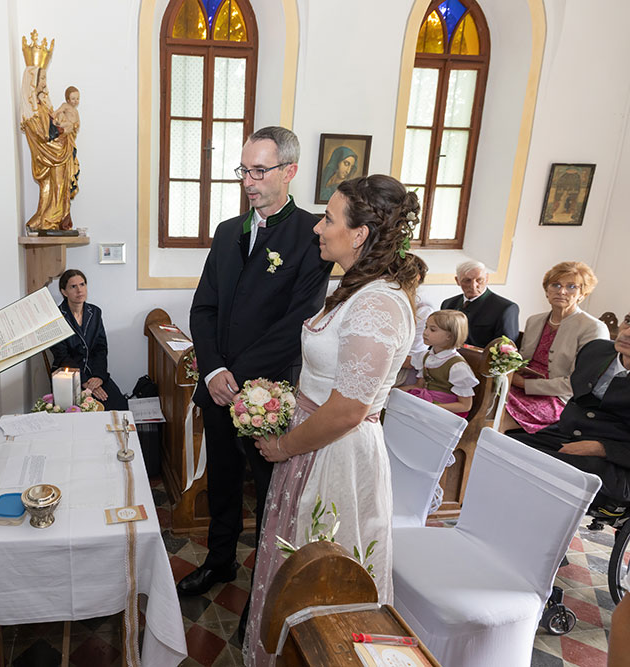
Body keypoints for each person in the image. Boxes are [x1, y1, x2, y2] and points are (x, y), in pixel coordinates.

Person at [244, 174, 425, 666]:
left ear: (360, 233)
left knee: (323, 584)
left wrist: (284, 446)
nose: (318, 228)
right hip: (313, 445)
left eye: (329, 218)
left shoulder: (379, 304)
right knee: (296, 574)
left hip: (334, 457)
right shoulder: (356, 287)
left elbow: (348, 409)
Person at [180, 127, 333, 610]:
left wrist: (237, 376)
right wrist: (212, 372)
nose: (248, 180)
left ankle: (266, 586)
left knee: (271, 493)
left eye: (259, 170)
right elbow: (204, 308)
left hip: (269, 393)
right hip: (219, 386)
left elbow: (297, 323)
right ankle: (219, 559)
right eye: (243, 169)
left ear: (289, 171)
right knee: (222, 481)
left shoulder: (311, 235)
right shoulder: (228, 232)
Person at [509, 311, 630, 512]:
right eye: (628, 321)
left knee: (539, 467)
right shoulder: (596, 351)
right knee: (503, 448)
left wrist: (600, 448)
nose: (627, 332)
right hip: (567, 435)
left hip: (617, 464)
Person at [501, 261, 609, 434]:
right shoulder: (534, 320)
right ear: (547, 291)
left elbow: (578, 383)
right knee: (484, 396)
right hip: (518, 385)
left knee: (498, 414)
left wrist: (525, 384)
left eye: (572, 286)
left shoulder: (593, 328)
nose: (562, 291)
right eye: (556, 285)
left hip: (557, 397)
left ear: (582, 294)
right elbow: (522, 361)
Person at [48, 268, 127, 410]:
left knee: (119, 404)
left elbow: (100, 348)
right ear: (64, 292)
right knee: (84, 412)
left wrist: (98, 377)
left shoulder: (95, 312)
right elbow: (62, 355)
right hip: (68, 377)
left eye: (82, 284)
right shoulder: (55, 318)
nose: (79, 290)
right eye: (73, 286)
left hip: (95, 372)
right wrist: (83, 381)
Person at [20, 66, 77, 231]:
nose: (45, 84)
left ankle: (49, 220)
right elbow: (42, 134)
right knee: (56, 185)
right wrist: (63, 131)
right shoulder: (32, 111)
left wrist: (63, 125)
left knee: (56, 186)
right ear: (33, 82)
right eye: (42, 79)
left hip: (58, 149)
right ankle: (50, 221)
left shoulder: (42, 105)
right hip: (51, 152)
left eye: (45, 79)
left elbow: (53, 122)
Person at [403, 309, 478, 417]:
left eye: (432, 330)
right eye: (426, 327)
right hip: (425, 403)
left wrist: (431, 407)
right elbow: (419, 386)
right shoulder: (426, 356)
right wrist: (392, 391)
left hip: (444, 413)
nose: (425, 332)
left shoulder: (457, 367)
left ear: (450, 336)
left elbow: (465, 406)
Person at [441, 260, 519, 347]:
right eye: (467, 280)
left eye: (479, 280)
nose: (473, 285)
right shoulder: (448, 304)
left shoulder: (505, 308)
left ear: (487, 278)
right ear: (457, 281)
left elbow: (505, 349)